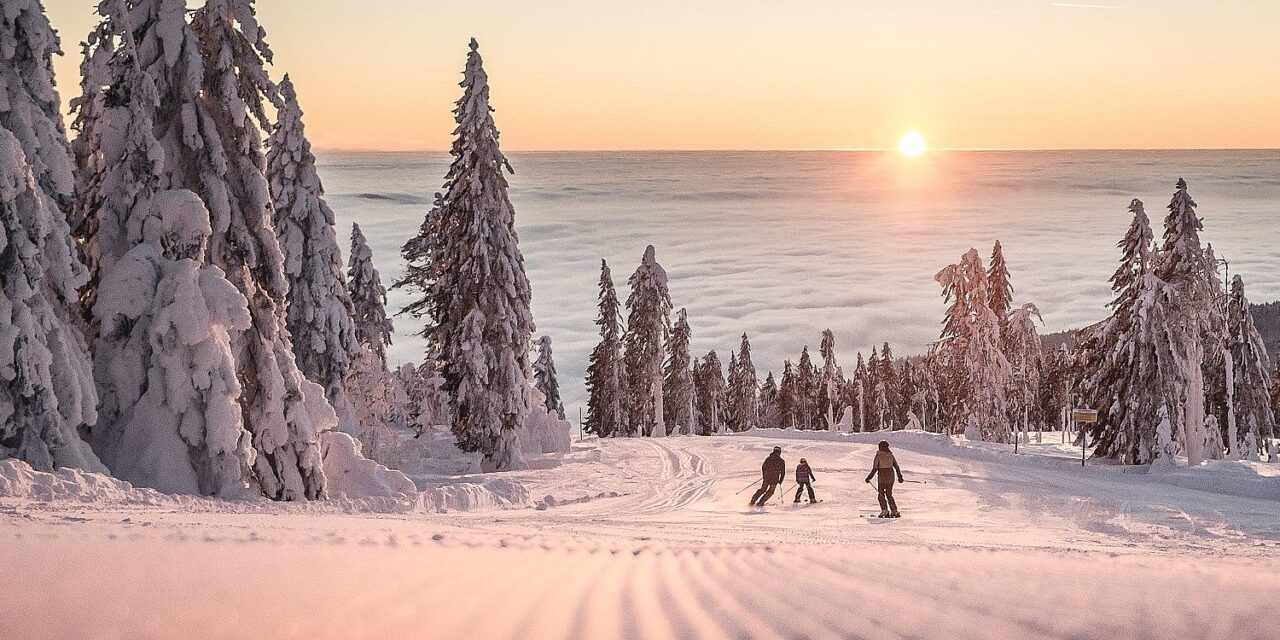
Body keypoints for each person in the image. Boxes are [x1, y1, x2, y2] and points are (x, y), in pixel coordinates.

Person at [864, 440, 904, 517]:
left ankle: (884, 510)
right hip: (891, 477)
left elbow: (875, 468)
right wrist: (900, 477)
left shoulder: (878, 456)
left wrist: (869, 478)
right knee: (889, 494)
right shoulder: (890, 455)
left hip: (882, 478)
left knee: (881, 495)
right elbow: (896, 466)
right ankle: (894, 511)